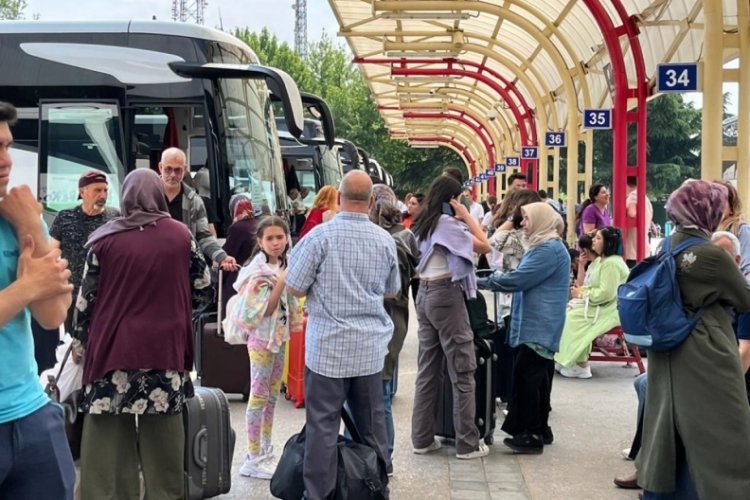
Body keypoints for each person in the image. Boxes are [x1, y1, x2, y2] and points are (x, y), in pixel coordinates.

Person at [73, 168, 211, 499]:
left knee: (107, 449)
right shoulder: (180, 236)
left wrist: (80, 341)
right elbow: (204, 288)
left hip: (111, 354)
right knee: (164, 447)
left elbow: (84, 301)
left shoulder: (104, 239)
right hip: (164, 352)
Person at [285, 170, 400, 500]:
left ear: (338, 196)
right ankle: (375, 486)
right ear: (372, 202)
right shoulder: (384, 240)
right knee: (372, 423)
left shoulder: (320, 237)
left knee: (322, 424)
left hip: (328, 349)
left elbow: (294, 285)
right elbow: (392, 290)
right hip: (369, 348)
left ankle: (319, 493)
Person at [636, 180, 750, 499]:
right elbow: (745, 299)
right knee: (723, 427)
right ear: (708, 211)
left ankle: (664, 491)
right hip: (706, 349)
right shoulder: (710, 254)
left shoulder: (668, 245)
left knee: (669, 428)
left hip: (668, 347)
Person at [0, 101, 77, 500]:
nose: (6, 161)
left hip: (30, 414)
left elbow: (54, 315)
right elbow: (37, 294)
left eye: (8, 146)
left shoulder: (15, 220)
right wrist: (27, 288)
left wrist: (31, 223)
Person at [477, 202, 570, 454]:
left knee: (527, 378)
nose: (524, 224)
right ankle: (540, 429)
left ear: (541, 220)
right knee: (537, 379)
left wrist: (482, 282)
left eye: (527, 219)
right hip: (539, 323)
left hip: (539, 325)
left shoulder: (547, 250)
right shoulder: (548, 246)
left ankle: (530, 433)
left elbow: (519, 279)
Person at [410, 175, 492, 460]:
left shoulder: (423, 223)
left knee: (428, 370)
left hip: (424, 294)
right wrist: (467, 215)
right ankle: (467, 443)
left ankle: (421, 438)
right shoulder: (449, 225)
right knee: (462, 369)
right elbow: (484, 245)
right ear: (452, 200)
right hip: (446, 294)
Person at [29, 171, 119, 374]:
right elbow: (51, 253)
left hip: (105, 296)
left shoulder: (115, 218)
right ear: (83, 192)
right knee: (75, 352)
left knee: (103, 349)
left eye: (105, 190)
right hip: (72, 297)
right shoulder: (65, 217)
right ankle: (75, 396)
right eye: (97, 190)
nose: (102, 195)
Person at [235, 217, 301, 479]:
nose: (276, 243)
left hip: (279, 337)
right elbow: (267, 309)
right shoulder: (257, 272)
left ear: (287, 238)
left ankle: (265, 451)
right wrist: (282, 280)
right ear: (260, 242)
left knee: (272, 396)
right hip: (262, 339)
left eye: (280, 237)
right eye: (270, 238)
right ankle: (252, 456)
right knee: (259, 396)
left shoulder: (281, 266)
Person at [368, 186, 417, 461]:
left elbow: (391, 290)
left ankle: (381, 457)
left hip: (383, 321)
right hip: (395, 322)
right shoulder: (406, 236)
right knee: (383, 391)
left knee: (379, 395)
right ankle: (382, 456)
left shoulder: (385, 242)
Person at [555, 227, 629, 378]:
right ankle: (571, 359)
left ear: (608, 243)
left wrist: (581, 293)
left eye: (598, 238)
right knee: (569, 314)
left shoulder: (611, 263)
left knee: (573, 319)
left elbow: (606, 293)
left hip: (610, 309)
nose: (594, 241)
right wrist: (582, 291)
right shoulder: (603, 261)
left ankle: (581, 365)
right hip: (602, 306)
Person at [159, 147, 237, 271]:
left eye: (177, 170)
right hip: (153, 266)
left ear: (184, 170)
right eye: (168, 169)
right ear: (160, 167)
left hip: (183, 267)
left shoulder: (195, 202)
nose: (173, 175)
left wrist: (222, 256)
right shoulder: (147, 196)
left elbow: (203, 236)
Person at [221, 193, 259, 313]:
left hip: (238, 278)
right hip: (256, 278)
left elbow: (228, 254)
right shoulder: (259, 225)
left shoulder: (236, 228)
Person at [716, 180, 750, 276]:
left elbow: (748, 270)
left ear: (732, 208)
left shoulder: (742, 230)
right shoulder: (704, 230)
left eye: (720, 200)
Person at [624, 177, 653, 267]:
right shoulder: (645, 198)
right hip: (643, 248)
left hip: (632, 252)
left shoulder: (633, 196)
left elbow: (632, 214)